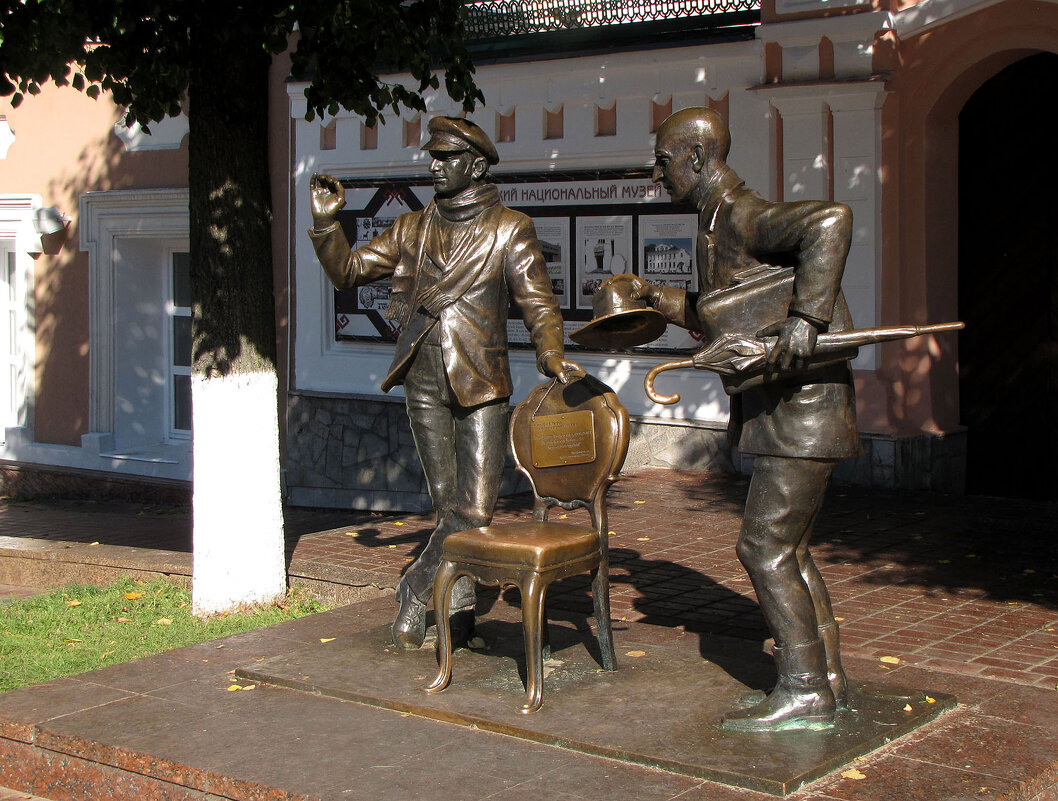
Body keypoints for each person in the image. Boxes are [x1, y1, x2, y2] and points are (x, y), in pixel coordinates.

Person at [308, 116, 582, 650]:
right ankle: (457, 614)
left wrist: (551, 352)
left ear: (476, 165)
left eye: (446, 158)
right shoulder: (413, 227)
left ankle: (414, 588)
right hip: (423, 380)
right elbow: (349, 271)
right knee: (447, 507)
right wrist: (325, 225)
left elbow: (538, 302)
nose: (434, 166)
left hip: (480, 383)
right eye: (432, 157)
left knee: (473, 510)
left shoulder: (509, 228)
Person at [630, 107, 861, 731]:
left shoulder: (739, 213)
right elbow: (730, 315)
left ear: (698, 159)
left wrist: (806, 321)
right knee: (790, 548)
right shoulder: (710, 225)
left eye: (664, 158)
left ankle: (806, 685)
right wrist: (662, 301)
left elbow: (830, 221)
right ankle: (829, 676)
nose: (657, 171)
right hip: (786, 414)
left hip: (803, 412)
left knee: (762, 548)